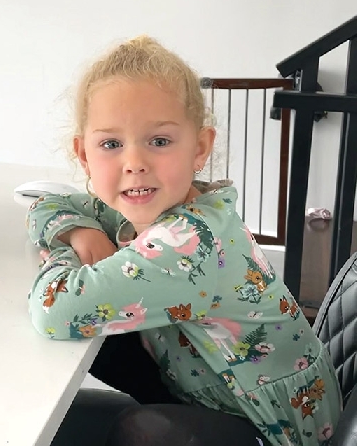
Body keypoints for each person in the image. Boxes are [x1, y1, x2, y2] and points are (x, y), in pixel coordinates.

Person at [26, 36, 341, 446]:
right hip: (210, 392)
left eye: (159, 141)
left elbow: (53, 309)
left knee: (132, 422)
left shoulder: (188, 244)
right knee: (104, 348)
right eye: (111, 144)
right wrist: (78, 230)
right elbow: (47, 205)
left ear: (200, 149)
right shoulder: (150, 204)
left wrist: (62, 253)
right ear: (84, 155)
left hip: (271, 431)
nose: (135, 163)